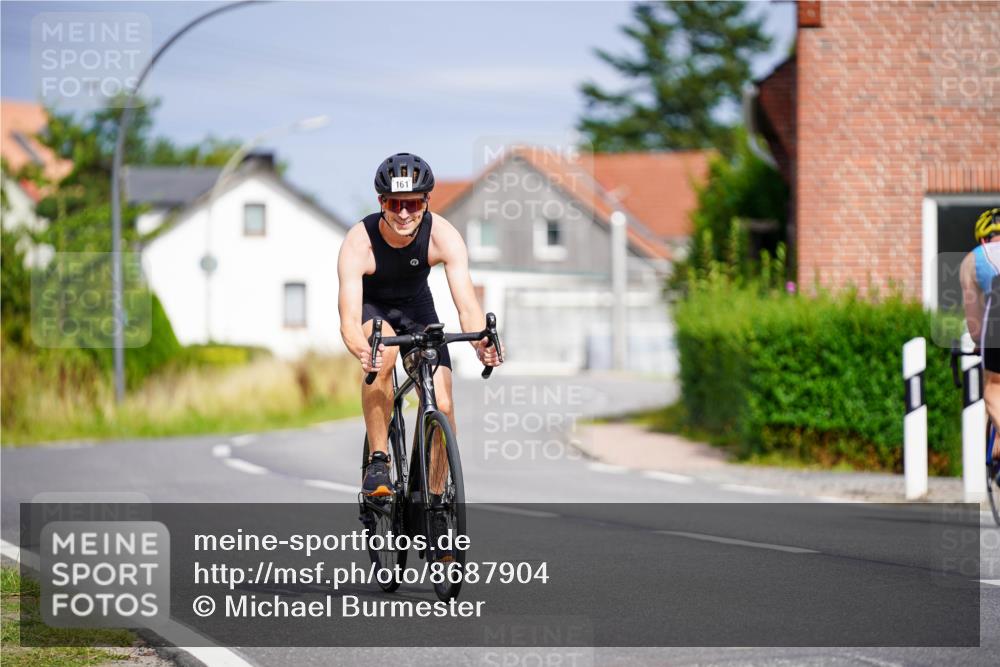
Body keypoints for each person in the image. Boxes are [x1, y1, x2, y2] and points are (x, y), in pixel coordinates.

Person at [337, 152, 503, 496]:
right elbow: (350, 321)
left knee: (442, 404)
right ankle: (379, 462)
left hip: (417, 309)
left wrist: (480, 345)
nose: (403, 214)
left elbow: (467, 304)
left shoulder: (444, 235)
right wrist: (361, 351)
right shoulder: (359, 242)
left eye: (412, 204)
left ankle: (438, 501)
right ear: (382, 202)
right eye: (395, 203)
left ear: (426, 202)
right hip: (375, 309)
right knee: (382, 360)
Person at [960, 207, 1000, 461]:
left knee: (993, 388)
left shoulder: (974, 259)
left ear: (983, 239)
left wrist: (978, 343)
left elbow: (975, 325)